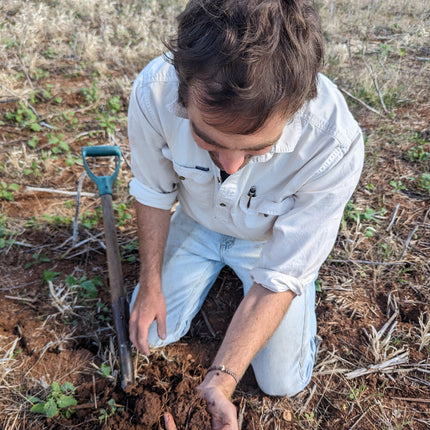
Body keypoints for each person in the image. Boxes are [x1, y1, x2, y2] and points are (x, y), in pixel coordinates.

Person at [127, 0, 364, 428]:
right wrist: (150, 283)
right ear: (183, 87)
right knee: (152, 335)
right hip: (197, 221)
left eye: (256, 148)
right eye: (206, 138)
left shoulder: (333, 142)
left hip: (268, 243)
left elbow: (283, 270)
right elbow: (154, 191)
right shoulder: (154, 91)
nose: (231, 166)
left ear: (296, 107)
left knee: (282, 381)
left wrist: (222, 378)